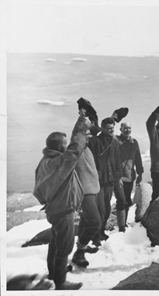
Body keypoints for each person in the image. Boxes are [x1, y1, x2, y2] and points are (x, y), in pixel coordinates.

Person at [33, 109, 90, 290]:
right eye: (64, 145)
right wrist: (81, 124)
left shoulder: (44, 161)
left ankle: (53, 272)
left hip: (54, 208)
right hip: (63, 209)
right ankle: (61, 282)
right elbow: (75, 149)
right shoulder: (59, 162)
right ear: (59, 148)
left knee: (55, 242)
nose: (66, 147)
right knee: (64, 246)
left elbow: (40, 186)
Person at [87, 117, 126, 241]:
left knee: (107, 209)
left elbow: (118, 162)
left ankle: (101, 231)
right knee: (101, 210)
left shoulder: (114, 143)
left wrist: (118, 177)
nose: (111, 130)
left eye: (112, 128)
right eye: (108, 128)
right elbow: (89, 160)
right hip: (98, 182)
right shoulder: (94, 141)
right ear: (102, 128)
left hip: (110, 182)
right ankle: (95, 235)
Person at [71, 127, 101, 268]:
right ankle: (79, 252)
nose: (89, 137)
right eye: (86, 135)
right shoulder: (76, 148)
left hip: (92, 190)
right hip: (84, 192)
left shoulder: (86, 148)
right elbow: (76, 135)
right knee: (95, 222)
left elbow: (96, 130)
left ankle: (81, 247)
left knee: (85, 220)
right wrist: (82, 118)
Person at [115, 122, 144, 224]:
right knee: (121, 200)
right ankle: (121, 225)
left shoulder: (134, 142)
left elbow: (138, 159)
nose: (127, 130)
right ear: (120, 129)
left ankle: (123, 223)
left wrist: (140, 173)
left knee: (126, 199)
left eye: (129, 128)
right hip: (118, 177)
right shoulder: (116, 140)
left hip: (129, 177)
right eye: (125, 128)